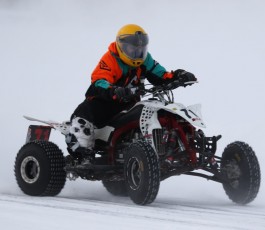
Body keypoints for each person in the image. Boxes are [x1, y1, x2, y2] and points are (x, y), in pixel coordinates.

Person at [66, 24, 197, 165]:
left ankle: (170, 145)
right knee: (83, 112)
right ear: (121, 46)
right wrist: (113, 90)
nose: (137, 53)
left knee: (158, 110)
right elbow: (99, 81)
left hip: (129, 104)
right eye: (132, 49)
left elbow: (161, 75)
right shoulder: (110, 59)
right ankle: (84, 154)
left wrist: (178, 76)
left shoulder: (145, 60)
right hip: (105, 103)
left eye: (141, 49)